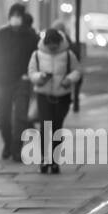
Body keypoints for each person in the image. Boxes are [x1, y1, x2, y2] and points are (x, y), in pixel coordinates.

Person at [0, 3, 39, 161]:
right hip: (3, 81)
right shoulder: (1, 35)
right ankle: (8, 144)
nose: (15, 18)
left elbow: (37, 57)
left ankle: (16, 149)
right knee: (3, 116)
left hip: (22, 80)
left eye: (18, 15)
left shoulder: (30, 36)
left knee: (20, 116)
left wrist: (29, 75)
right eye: (13, 15)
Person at [27, 26, 82, 174]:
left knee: (57, 127)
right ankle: (45, 161)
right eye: (50, 44)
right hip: (44, 95)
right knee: (46, 127)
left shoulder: (68, 54)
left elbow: (77, 70)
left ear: (59, 42)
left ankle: (55, 161)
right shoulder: (37, 55)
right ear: (45, 43)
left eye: (55, 44)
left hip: (62, 96)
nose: (52, 47)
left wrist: (68, 80)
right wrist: (41, 77)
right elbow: (31, 72)